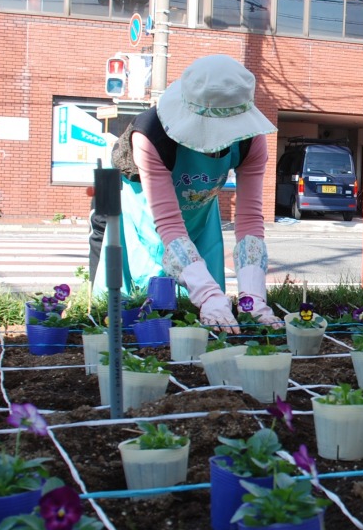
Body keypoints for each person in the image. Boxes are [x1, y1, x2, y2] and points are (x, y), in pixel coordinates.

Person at [91, 55, 282, 333]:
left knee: (209, 315)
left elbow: (250, 222)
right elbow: (168, 223)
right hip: (143, 211)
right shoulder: (151, 135)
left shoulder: (251, 141)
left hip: (200, 211)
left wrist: (252, 299)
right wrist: (207, 295)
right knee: (138, 310)